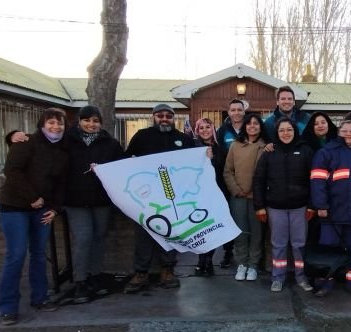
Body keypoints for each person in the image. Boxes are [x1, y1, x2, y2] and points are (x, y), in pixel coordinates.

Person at [0, 108, 68, 325]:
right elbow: (12, 171)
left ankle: (40, 297)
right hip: (15, 207)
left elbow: (61, 184)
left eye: (60, 123)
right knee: (16, 256)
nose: (56, 127)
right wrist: (32, 198)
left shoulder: (62, 150)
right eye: (51, 123)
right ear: (42, 124)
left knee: (38, 254)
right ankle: (8, 307)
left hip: (42, 210)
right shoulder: (25, 142)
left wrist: (55, 208)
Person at [123, 103, 196, 293]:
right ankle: (141, 272)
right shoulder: (141, 136)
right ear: (153, 117)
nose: (164, 119)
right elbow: (125, 159)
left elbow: (194, 162)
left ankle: (168, 270)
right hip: (146, 196)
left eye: (168, 116)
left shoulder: (183, 139)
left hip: (172, 196)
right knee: (144, 234)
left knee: (170, 232)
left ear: (173, 119)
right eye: (160, 115)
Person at [61, 106, 124, 303]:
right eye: (87, 120)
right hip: (75, 200)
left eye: (95, 121)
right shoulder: (66, 141)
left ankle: (95, 276)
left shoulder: (111, 144)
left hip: (101, 200)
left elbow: (121, 167)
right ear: (79, 121)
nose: (91, 124)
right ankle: (80, 279)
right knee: (84, 238)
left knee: (99, 238)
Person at [310, 120, 351, 298]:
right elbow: (317, 181)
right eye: (344, 130)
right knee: (328, 250)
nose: (348, 134)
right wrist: (321, 205)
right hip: (333, 212)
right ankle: (324, 284)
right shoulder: (326, 153)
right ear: (338, 132)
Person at [252, 118, 315, 293]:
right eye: (282, 130)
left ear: (295, 131)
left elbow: (314, 180)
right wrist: (259, 206)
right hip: (275, 207)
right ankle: (277, 277)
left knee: (299, 244)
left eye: (289, 130)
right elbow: (258, 180)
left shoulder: (305, 151)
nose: (285, 133)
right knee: (278, 244)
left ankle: (301, 277)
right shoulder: (269, 152)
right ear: (276, 133)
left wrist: (311, 205)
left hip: (300, 207)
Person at [224, 113, 268, 281]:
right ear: (245, 127)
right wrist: (236, 190)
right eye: (249, 124)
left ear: (260, 127)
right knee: (241, 232)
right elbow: (228, 171)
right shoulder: (235, 146)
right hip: (239, 197)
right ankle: (241, 264)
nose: (252, 126)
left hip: (258, 198)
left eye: (256, 124)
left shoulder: (266, 146)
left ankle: (253, 265)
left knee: (257, 232)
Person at [191, 117, 227, 277]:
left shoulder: (220, 149)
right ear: (197, 131)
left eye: (208, 127)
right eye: (201, 128)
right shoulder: (192, 148)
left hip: (216, 194)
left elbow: (223, 170)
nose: (205, 130)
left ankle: (209, 260)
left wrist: (212, 159)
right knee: (201, 229)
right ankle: (200, 260)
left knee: (212, 229)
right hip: (198, 195)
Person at [215, 99, 249, 268]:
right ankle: (228, 252)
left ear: (244, 111)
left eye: (239, 109)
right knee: (229, 217)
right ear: (228, 112)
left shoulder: (251, 127)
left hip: (248, 180)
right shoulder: (222, 131)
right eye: (233, 109)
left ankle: (250, 252)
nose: (236, 112)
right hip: (227, 180)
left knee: (247, 218)